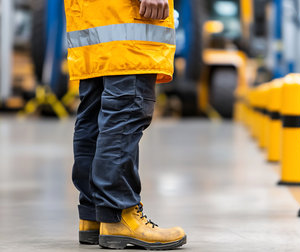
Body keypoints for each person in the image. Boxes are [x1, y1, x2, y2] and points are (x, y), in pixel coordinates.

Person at [64, 0, 186, 249]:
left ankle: (95, 214)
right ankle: (118, 213)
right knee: (125, 110)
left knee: (95, 114)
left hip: (94, 19)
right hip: (125, 18)